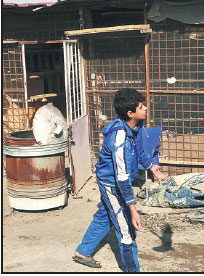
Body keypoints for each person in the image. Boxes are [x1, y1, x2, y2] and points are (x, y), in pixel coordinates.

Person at [72, 88, 165, 271]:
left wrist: (151, 167)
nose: (146, 108)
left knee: (106, 214)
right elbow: (121, 179)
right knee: (126, 230)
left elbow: (139, 152)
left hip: (119, 181)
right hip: (111, 184)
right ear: (130, 113)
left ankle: (83, 251)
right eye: (141, 106)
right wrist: (133, 209)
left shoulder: (133, 128)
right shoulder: (120, 138)